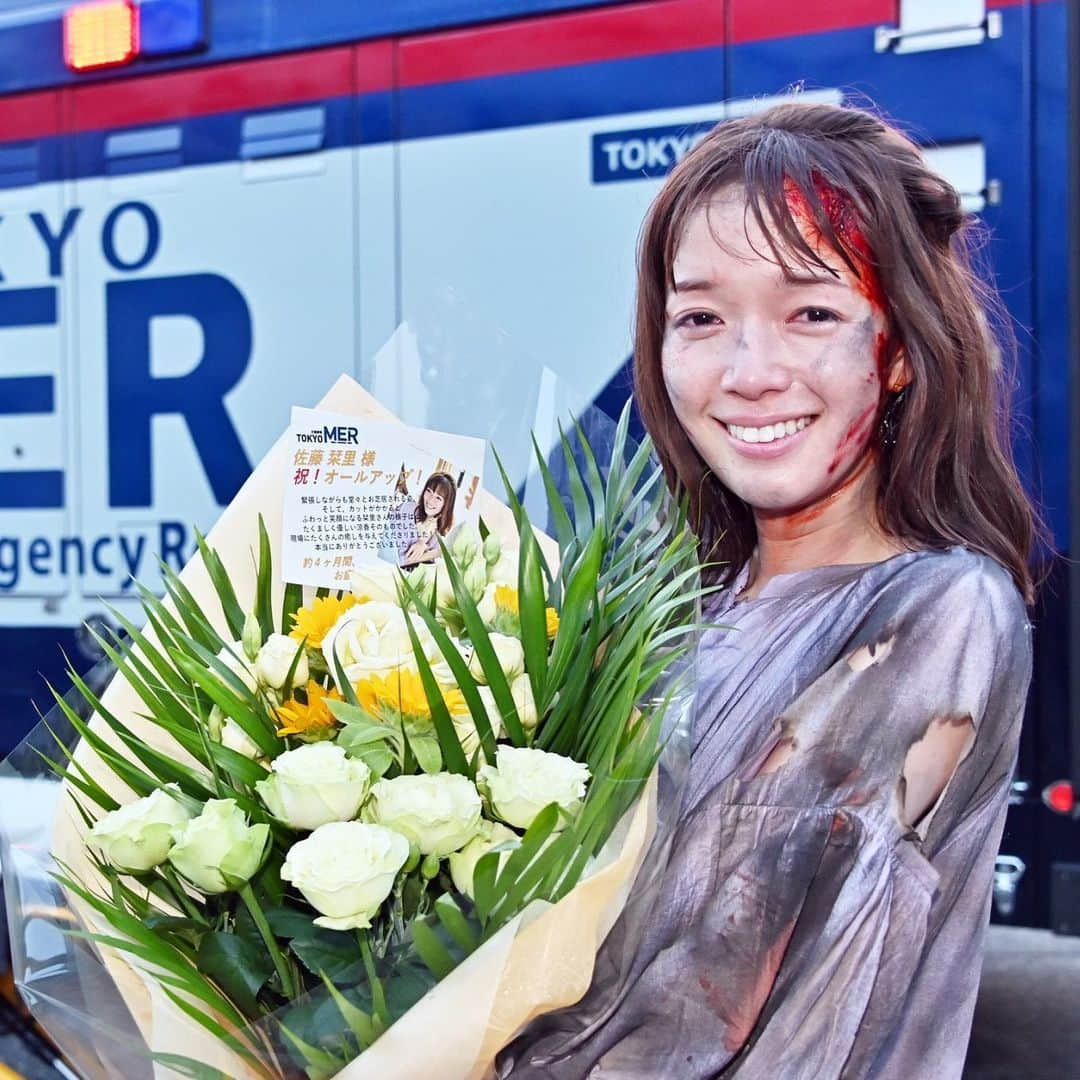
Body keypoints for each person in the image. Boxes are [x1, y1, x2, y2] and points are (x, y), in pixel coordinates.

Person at [499, 102, 1039, 1078]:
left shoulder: (937, 614)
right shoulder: (684, 604)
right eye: (701, 317)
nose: (750, 373)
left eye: (812, 314)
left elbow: (732, 993)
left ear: (902, 347)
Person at [382, 471, 457, 567]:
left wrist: (423, 545)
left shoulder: (438, 535)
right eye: (429, 491)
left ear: (446, 505)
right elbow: (397, 559)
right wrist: (425, 546)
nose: (430, 500)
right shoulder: (408, 509)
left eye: (438, 498)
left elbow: (426, 565)